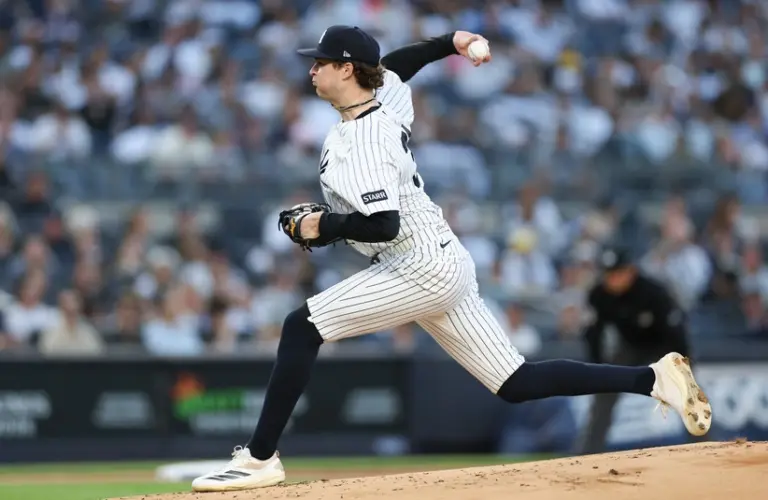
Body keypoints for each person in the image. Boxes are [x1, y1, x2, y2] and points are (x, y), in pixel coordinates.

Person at [191, 27, 712, 492]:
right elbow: (401, 62)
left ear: (347, 70)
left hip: (416, 263)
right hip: (443, 259)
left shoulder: (366, 138)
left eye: (322, 61)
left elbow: (382, 225)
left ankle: (260, 459)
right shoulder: (382, 98)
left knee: (301, 327)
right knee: (516, 383)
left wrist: (318, 227)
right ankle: (652, 378)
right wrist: (454, 41)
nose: (312, 68)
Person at [575, 246, 696, 454]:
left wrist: (682, 364)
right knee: (603, 391)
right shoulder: (599, 295)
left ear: (631, 271)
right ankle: (587, 453)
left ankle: (707, 445)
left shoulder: (652, 292)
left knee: (689, 394)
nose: (612, 279)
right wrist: (596, 366)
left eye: (617, 273)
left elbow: (675, 331)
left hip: (663, 349)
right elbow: (593, 333)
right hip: (630, 347)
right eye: (608, 274)